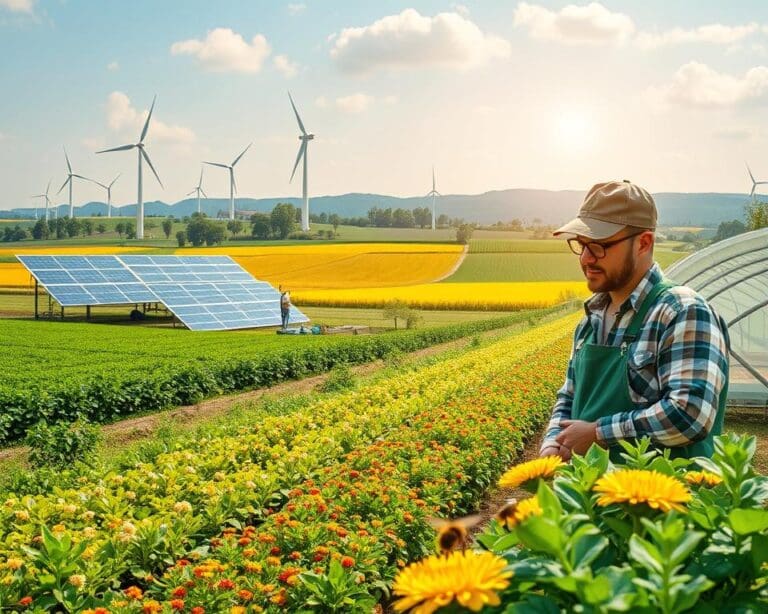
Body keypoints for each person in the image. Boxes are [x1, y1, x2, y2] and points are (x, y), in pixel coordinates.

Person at [539, 180, 729, 462]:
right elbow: (568, 396)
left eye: (600, 246)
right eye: (582, 245)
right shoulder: (591, 321)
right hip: (591, 497)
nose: (587, 258)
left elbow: (690, 414)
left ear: (643, 243)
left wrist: (597, 434)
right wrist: (553, 442)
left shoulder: (681, 311)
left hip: (665, 499)